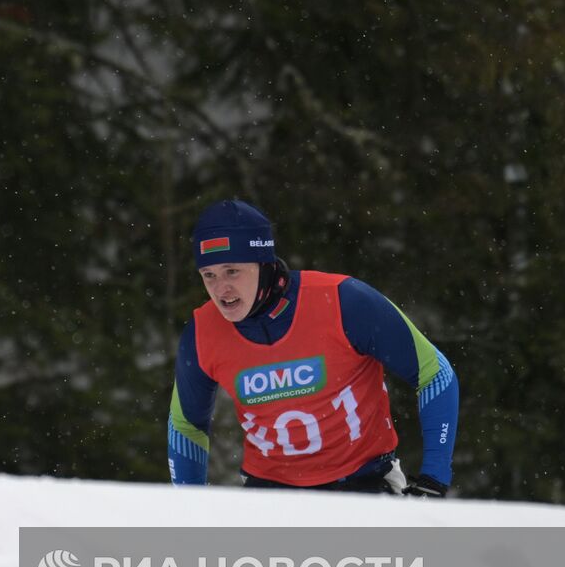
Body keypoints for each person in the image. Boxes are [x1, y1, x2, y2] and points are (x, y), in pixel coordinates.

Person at [166, 199, 458, 495]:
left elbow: (435, 373)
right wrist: (191, 508)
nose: (220, 289)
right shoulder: (203, 332)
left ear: (263, 264)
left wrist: (434, 479)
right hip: (269, 495)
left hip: (364, 483)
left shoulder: (344, 301)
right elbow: (186, 424)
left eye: (232, 271)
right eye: (209, 275)